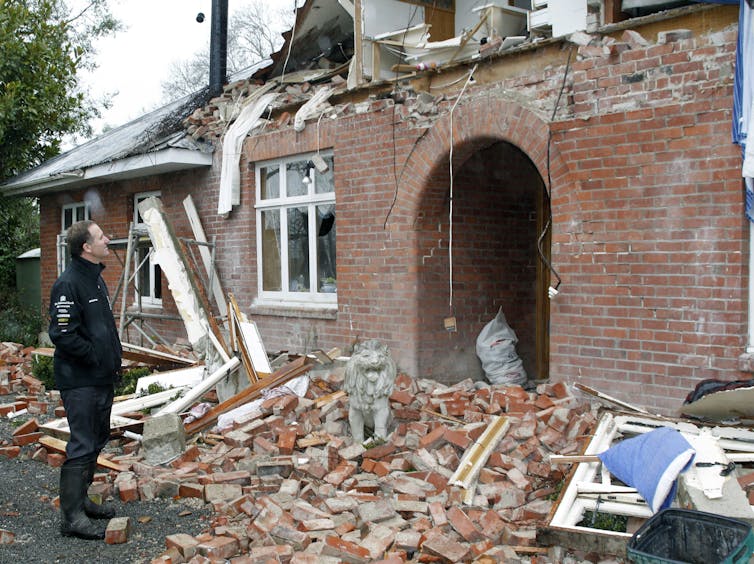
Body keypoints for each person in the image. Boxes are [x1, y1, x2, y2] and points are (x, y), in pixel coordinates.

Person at [48, 220, 122, 540]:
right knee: (81, 443)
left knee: (97, 437)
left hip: (101, 377)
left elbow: (103, 328)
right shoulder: (68, 284)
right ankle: (71, 517)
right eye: (101, 236)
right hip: (80, 379)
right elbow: (63, 335)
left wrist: (112, 360)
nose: (107, 239)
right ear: (86, 248)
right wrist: (95, 357)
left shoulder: (95, 279)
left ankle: (83, 501)